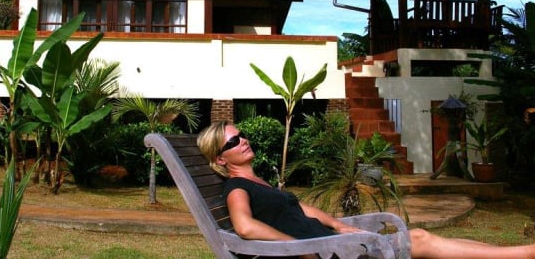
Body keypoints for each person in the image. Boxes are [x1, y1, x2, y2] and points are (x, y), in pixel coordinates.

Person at [197, 121, 535, 259]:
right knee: (418, 240)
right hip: (327, 253)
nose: (243, 141)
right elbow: (244, 227)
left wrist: (338, 224)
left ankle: (516, 253)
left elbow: (299, 209)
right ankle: (523, 254)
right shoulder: (237, 187)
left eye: (241, 135)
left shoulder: (259, 183)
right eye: (233, 142)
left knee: (418, 237)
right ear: (221, 158)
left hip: (332, 243)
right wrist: (299, 248)